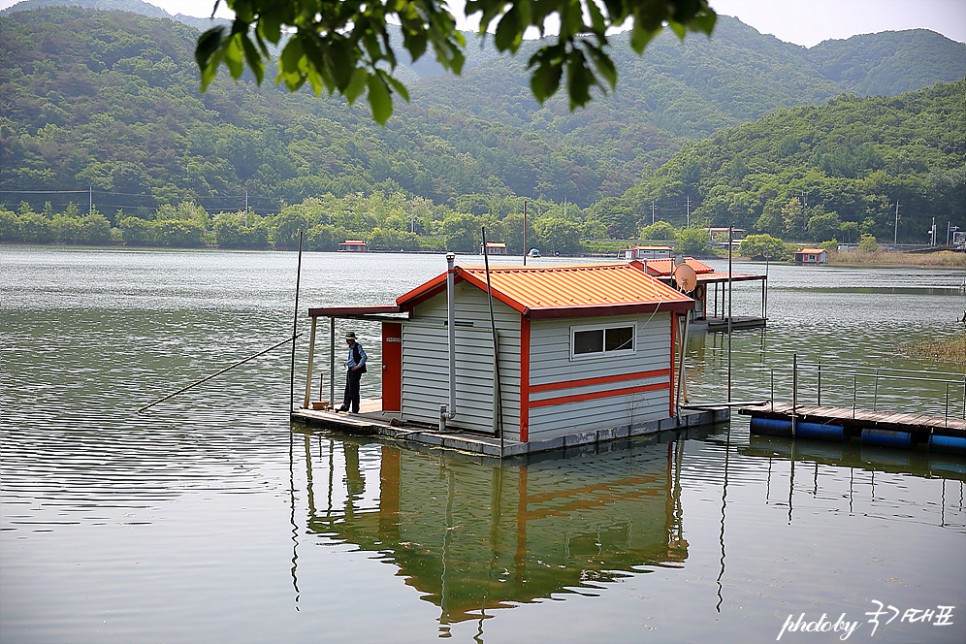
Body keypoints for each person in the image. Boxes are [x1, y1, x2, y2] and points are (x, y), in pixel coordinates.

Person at [336, 331, 367, 413]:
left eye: (348, 340)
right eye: (347, 340)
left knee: (354, 389)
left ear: (352, 340)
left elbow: (364, 357)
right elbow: (352, 358)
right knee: (348, 388)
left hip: (355, 370)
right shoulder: (350, 347)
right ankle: (346, 405)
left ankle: (355, 408)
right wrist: (347, 363)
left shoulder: (358, 347)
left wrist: (358, 366)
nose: (347, 341)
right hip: (350, 369)